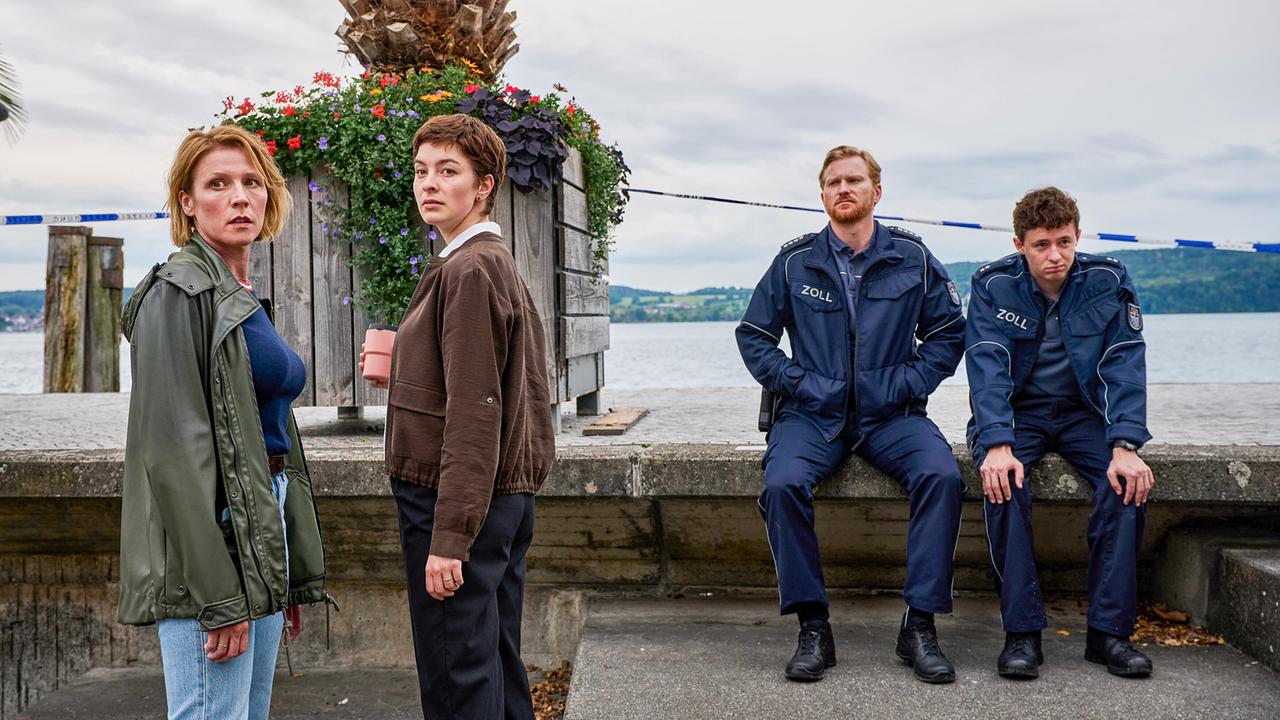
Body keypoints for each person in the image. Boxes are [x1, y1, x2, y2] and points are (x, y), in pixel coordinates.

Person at [736, 146, 967, 683]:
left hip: (892, 415)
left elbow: (948, 332)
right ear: (822, 195)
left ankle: (920, 626)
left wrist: (905, 382)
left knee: (942, 475)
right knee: (782, 485)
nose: (844, 188)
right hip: (813, 416)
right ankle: (813, 627)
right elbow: (754, 337)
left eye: (855, 180)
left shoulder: (913, 257)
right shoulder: (794, 262)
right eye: (834, 182)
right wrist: (801, 384)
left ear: (876, 192)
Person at [119, 124, 327, 719]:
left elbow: (264, 435)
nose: (239, 197)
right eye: (218, 184)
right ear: (187, 202)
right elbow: (171, 455)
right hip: (211, 547)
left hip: (256, 529)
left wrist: (275, 565)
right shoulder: (178, 293)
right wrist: (220, 595)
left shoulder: (234, 292)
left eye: (251, 182)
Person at [362, 113, 555, 719]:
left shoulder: (470, 268)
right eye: (421, 171)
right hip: (495, 498)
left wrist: (450, 538)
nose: (429, 184)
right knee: (493, 662)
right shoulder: (481, 262)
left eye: (449, 171)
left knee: (458, 680)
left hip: (458, 500)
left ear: (484, 185)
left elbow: (477, 410)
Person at [965, 186, 1155, 679]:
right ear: (1019, 244)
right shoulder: (991, 285)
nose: (1055, 256)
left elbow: (1125, 362)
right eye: (1042, 244)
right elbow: (986, 366)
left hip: (1082, 412)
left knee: (1127, 486)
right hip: (1016, 413)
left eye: (1065, 243)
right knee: (1003, 485)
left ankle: (1109, 635)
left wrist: (1125, 444)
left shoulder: (1107, 279)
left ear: (1077, 237)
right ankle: (1022, 634)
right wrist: (997, 443)